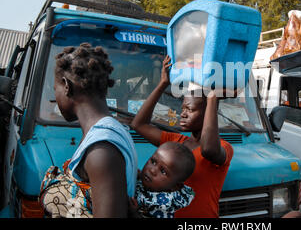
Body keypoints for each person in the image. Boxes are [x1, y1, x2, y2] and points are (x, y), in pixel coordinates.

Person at [40, 43, 138, 218]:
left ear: (66, 86)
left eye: (56, 90)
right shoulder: (111, 129)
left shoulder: (101, 150)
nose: (55, 99)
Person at [131, 55, 234, 218]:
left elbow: (207, 149)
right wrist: (162, 84)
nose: (182, 114)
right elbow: (138, 125)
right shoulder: (175, 142)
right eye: (182, 108)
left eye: (190, 109)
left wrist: (213, 98)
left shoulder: (223, 147)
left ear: (207, 112)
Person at [129, 142, 196, 218]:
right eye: (153, 162)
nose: (152, 170)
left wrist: (134, 213)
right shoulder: (151, 183)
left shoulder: (163, 206)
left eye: (163, 171)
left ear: (174, 186)